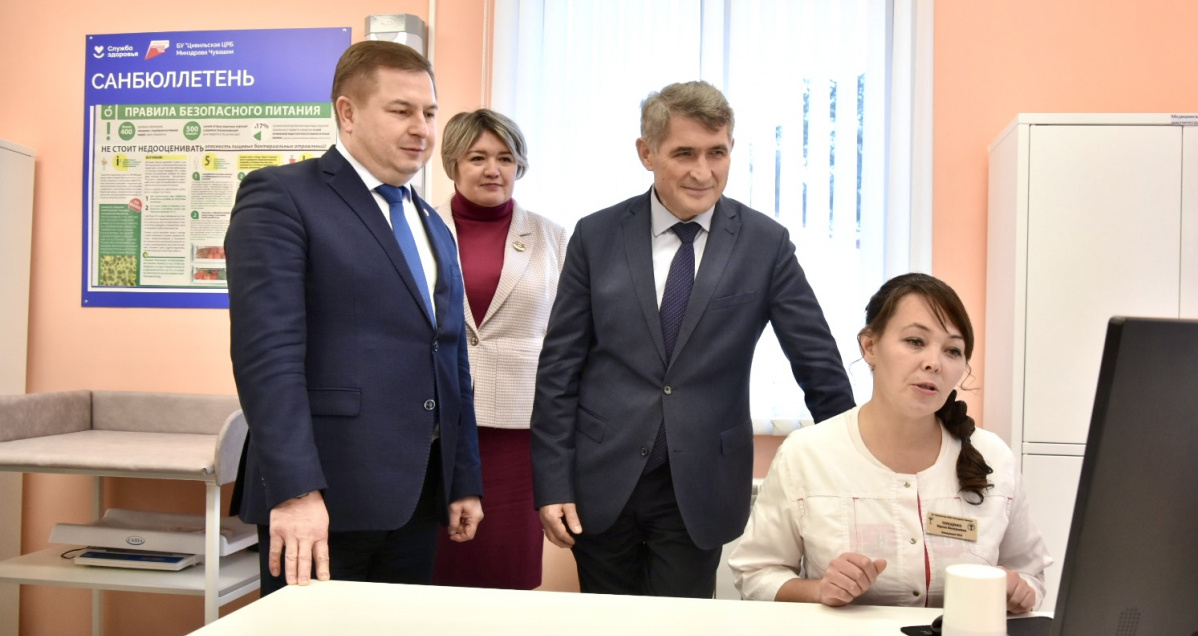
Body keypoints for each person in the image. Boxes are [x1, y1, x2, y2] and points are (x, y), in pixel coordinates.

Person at [531, 81, 855, 599]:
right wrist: (552, 483)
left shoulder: (764, 244)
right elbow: (559, 370)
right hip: (603, 476)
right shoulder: (596, 235)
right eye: (684, 153)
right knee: (604, 630)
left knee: (682, 634)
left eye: (716, 153)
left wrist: (855, 465)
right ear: (647, 153)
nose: (703, 172)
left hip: (701, 483)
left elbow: (816, 361)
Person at [226, 40, 483, 594]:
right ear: (347, 112)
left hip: (418, 496)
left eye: (429, 113)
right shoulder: (282, 196)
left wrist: (461, 478)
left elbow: (450, 357)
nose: (421, 129)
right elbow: (267, 358)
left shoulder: (431, 223)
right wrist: (295, 491)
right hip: (323, 497)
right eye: (401, 110)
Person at [729, 273, 1051, 611]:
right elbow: (755, 573)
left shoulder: (993, 456)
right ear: (870, 346)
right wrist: (820, 590)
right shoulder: (806, 453)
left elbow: (1030, 574)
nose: (933, 362)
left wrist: (1020, 590)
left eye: (952, 350)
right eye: (915, 341)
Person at [431, 109, 566, 589]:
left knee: (508, 566)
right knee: (438, 565)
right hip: (438, 427)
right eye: (478, 157)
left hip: (520, 428)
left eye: (505, 158)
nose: (493, 169)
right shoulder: (420, 227)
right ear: (453, 163)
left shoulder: (552, 237)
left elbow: (569, 336)